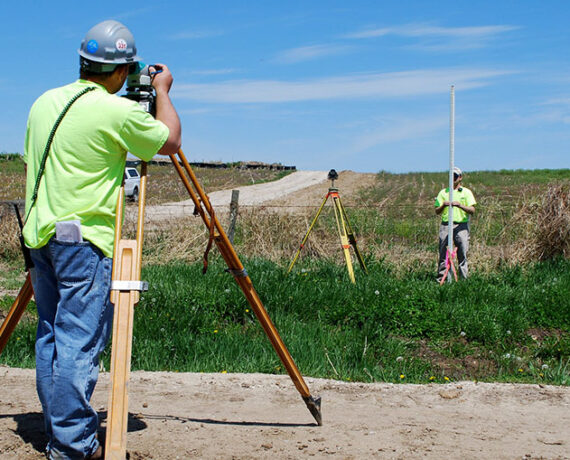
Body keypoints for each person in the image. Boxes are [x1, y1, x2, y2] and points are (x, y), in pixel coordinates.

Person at [22, 20, 181, 459]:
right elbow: (169, 140)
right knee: (78, 342)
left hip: (40, 236)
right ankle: (72, 446)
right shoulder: (116, 111)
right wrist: (161, 91)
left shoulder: (44, 102)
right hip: (83, 242)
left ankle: (59, 427)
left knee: (52, 337)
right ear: (119, 71)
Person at [434, 167, 476, 282]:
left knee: (462, 253)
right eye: (451, 176)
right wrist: (443, 205)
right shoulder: (443, 192)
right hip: (446, 225)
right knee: (443, 252)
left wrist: (460, 205)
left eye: (455, 176)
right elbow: (437, 211)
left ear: (460, 178)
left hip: (461, 226)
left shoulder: (466, 192)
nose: (453, 179)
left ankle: (463, 280)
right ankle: (442, 279)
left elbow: (472, 210)